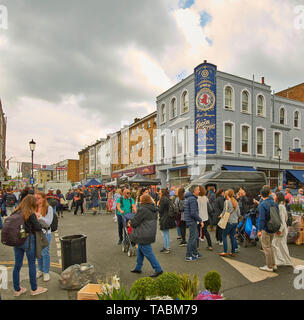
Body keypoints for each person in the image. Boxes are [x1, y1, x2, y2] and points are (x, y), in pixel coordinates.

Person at [12, 195, 48, 297]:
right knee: (31, 264)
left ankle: (17, 290)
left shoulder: (16, 212)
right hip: (28, 241)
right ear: (31, 204)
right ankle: (34, 289)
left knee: (17, 265)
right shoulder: (30, 214)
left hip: (17, 240)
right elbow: (37, 227)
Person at [130, 194, 163, 278]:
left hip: (143, 233)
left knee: (148, 252)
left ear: (143, 201)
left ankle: (158, 269)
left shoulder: (142, 209)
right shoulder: (153, 209)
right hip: (150, 232)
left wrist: (130, 222)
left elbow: (134, 223)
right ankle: (138, 267)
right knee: (140, 249)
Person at [257, 186, 279, 272]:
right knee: (270, 246)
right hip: (273, 227)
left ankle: (269, 266)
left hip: (266, 228)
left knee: (266, 248)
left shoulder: (263, 204)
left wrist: (259, 230)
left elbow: (261, 218)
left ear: (261, 195)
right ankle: (274, 264)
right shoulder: (274, 203)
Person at [34, 191, 54, 282]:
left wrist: (40, 217)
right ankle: (40, 270)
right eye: (35, 198)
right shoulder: (33, 207)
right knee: (38, 253)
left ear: (43, 199)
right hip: (35, 233)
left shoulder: (48, 208)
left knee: (45, 253)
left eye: (38, 198)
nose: (36, 200)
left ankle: (46, 272)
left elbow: (49, 222)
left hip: (45, 233)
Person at [272, 192, 293, 268]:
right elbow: (285, 219)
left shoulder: (280, 207)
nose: (273, 197)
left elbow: (282, 220)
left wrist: (280, 229)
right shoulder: (282, 206)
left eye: (275, 196)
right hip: (284, 228)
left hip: (281, 229)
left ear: (277, 198)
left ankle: (280, 260)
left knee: (274, 244)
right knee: (282, 245)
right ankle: (287, 261)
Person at [184, 185, 204, 261]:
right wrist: (200, 220)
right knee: (192, 238)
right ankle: (188, 255)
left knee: (194, 237)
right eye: (198, 190)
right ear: (194, 191)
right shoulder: (192, 199)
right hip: (192, 221)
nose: (199, 191)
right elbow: (193, 213)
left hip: (190, 220)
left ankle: (195, 253)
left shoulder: (189, 198)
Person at [219, 189, 241, 257]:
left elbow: (224, 211)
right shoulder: (235, 202)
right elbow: (239, 213)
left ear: (227, 194)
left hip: (228, 221)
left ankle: (225, 251)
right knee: (232, 237)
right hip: (235, 222)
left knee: (224, 235)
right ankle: (233, 251)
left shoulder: (226, 202)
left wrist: (221, 216)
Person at [158, 188, 176, 253]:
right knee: (166, 233)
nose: (159, 194)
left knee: (165, 233)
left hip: (164, 218)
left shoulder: (163, 199)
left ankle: (167, 247)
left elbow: (160, 210)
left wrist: (158, 205)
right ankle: (166, 246)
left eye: (159, 193)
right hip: (168, 217)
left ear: (162, 193)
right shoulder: (168, 198)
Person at [197, 186, 213, 251]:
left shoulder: (196, 198)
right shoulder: (206, 198)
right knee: (205, 231)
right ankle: (210, 245)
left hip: (198, 218)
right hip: (205, 217)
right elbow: (210, 209)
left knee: (197, 232)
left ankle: (197, 246)